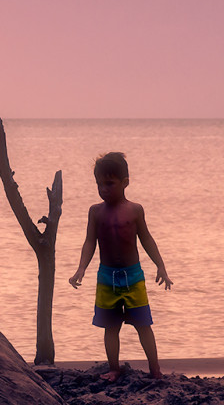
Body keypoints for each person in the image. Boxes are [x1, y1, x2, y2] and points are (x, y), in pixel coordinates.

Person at [69, 152, 172, 380]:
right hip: (107, 278)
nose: (103, 189)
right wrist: (81, 268)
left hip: (133, 277)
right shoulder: (95, 212)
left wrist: (161, 266)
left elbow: (146, 239)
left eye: (109, 184)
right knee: (110, 327)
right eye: (99, 184)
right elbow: (89, 242)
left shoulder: (135, 210)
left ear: (125, 183)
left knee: (143, 324)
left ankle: (155, 369)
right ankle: (113, 368)